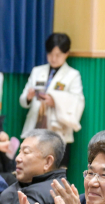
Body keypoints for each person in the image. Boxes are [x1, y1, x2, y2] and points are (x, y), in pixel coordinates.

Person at [19, 33, 84, 168]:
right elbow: (23, 99)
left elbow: (77, 101)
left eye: (58, 55)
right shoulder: (37, 71)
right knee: (30, 166)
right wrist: (29, 97)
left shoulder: (73, 75)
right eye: (50, 54)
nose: (53, 58)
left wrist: (55, 101)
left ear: (66, 54)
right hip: (35, 126)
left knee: (55, 170)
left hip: (58, 130)